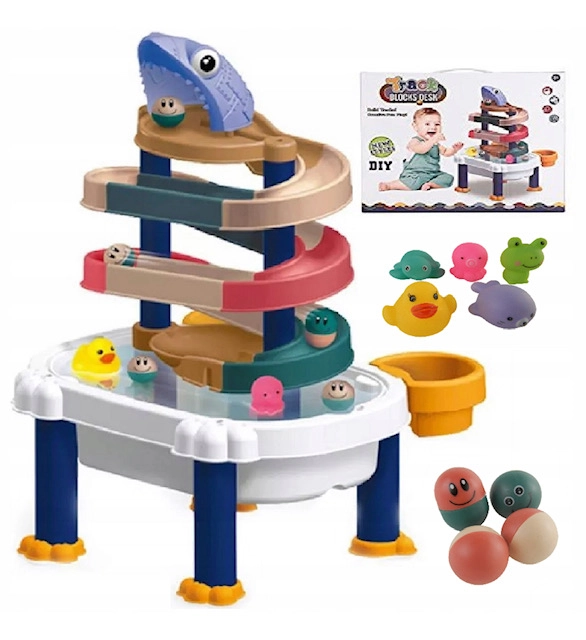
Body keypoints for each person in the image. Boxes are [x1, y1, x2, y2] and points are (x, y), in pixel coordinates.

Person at [378, 108, 463, 191]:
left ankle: (430, 184)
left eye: (437, 124)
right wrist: (433, 140)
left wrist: (454, 149)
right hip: (415, 174)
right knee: (413, 183)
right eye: (427, 124)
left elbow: (445, 152)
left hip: (433, 173)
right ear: (416, 127)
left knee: (448, 178)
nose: (433, 127)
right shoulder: (415, 141)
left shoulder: (436, 143)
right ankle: (390, 185)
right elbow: (421, 149)